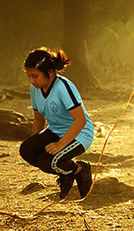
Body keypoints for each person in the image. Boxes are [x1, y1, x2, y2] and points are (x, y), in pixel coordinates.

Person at [19, 48, 94, 200]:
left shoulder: (63, 87)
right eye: (29, 76)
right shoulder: (35, 89)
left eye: (35, 76)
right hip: (55, 130)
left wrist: (60, 145)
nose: (32, 81)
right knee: (26, 150)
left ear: (50, 72)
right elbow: (39, 120)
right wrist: (34, 144)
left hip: (80, 133)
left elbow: (80, 120)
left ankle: (80, 169)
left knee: (49, 162)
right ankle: (66, 172)